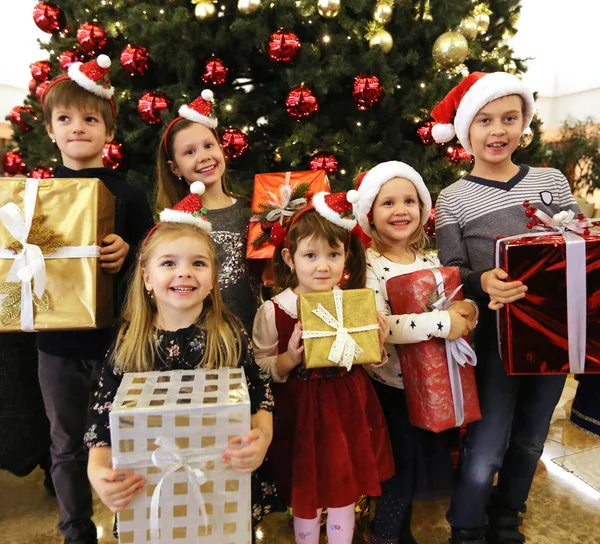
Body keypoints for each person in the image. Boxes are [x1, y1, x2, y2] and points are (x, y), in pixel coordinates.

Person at [432, 72, 581, 544]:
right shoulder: (451, 198)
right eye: (485, 120)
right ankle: (468, 524)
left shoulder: (551, 181)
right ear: (465, 131)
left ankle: (507, 516)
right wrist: (482, 281)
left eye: (509, 118)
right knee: (489, 442)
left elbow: (579, 248)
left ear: (523, 124)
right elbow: (451, 271)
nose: (497, 130)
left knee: (532, 438)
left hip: (553, 335)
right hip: (495, 340)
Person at [85, 185, 279, 534]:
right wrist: (98, 473)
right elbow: (102, 420)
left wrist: (262, 436)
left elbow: (259, 392)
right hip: (151, 495)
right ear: (146, 277)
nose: (184, 272)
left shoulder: (229, 334)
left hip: (224, 485)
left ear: (212, 279)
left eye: (198, 263)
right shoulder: (129, 343)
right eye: (169, 263)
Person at [38, 55, 154, 544]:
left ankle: (132, 526)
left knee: (126, 438)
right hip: (56, 345)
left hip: (118, 342)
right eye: (65, 118)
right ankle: (76, 531)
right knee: (64, 444)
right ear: (49, 131)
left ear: (108, 129)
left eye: (90, 118)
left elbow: (155, 268)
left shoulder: (128, 194)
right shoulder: (35, 195)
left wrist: (128, 255)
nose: (77, 127)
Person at [252, 191, 395, 544]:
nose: (322, 265)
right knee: (307, 491)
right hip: (302, 414)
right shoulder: (276, 310)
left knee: (345, 486)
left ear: (346, 257)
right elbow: (260, 366)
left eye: (333, 255)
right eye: (311, 255)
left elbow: (369, 358)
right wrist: (290, 357)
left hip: (348, 409)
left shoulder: (355, 302)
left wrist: (378, 343)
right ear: (289, 257)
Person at [351, 161, 478, 544]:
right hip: (390, 390)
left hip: (431, 386)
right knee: (398, 471)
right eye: (388, 203)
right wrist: (442, 323)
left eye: (410, 200)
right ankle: (386, 533)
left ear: (423, 210)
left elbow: (453, 302)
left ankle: (396, 526)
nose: (401, 209)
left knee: (421, 466)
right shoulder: (368, 266)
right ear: (370, 215)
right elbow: (383, 329)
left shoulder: (432, 260)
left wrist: (466, 311)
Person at [154, 91, 258, 333]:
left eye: (208, 145)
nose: (203, 156)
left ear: (221, 149)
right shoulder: (176, 223)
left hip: (252, 331)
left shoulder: (250, 210)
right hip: (201, 337)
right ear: (175, 168)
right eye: (189, 152)